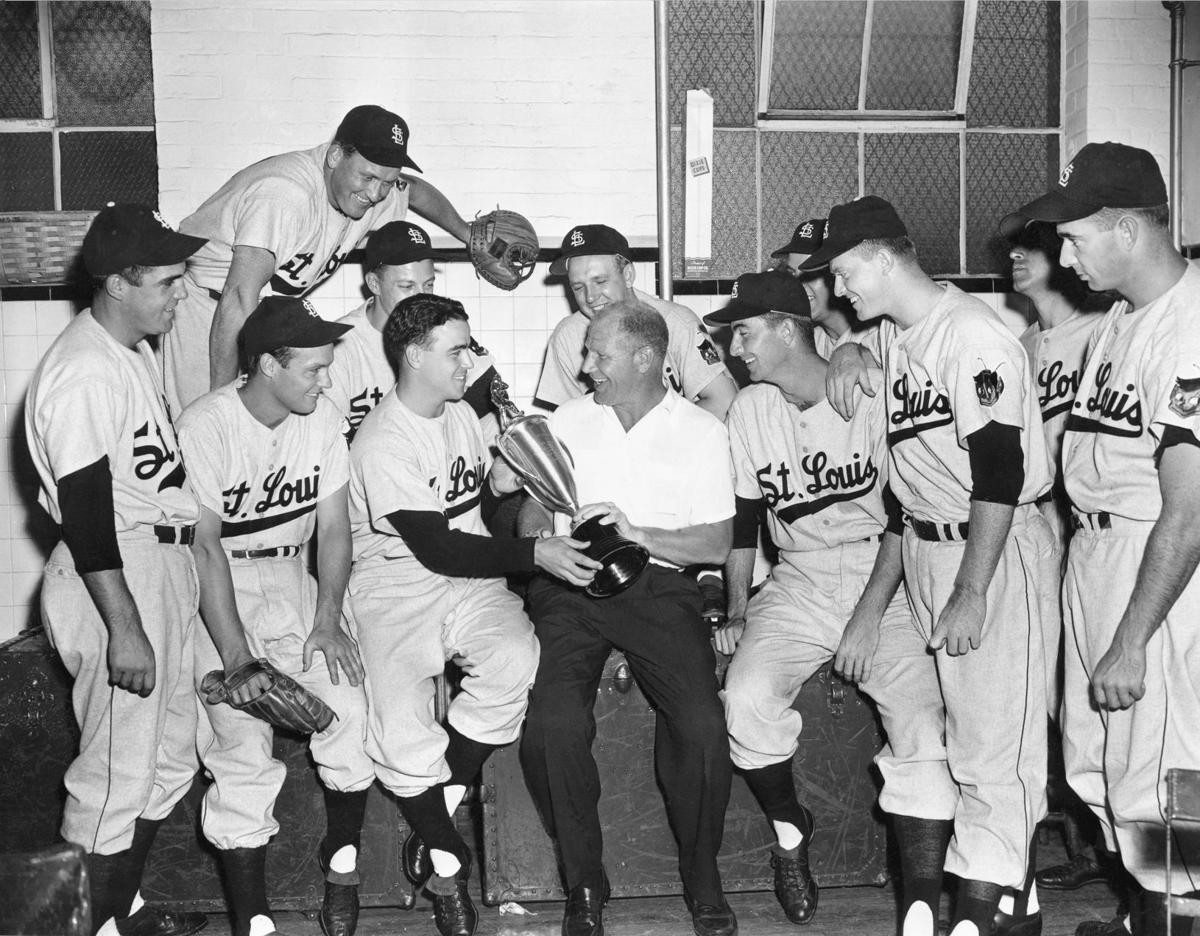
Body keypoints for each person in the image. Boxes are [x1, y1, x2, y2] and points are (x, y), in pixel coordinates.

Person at [804, 196, 1053, 936]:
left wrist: (973, 590)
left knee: (991, 753)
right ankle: (1014, 913)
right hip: (923, 547)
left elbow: (999, 474)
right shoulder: (895, 331)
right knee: (940, 734)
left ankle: (975, 921)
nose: (837, 288)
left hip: (988, 547)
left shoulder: (971, 336)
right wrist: (846, 346)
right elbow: (851, 344)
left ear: (883, 259)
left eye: (845, 272)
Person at [705, 271, 949, 928]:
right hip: (799, 579)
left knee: (923, 722)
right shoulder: (752, 410)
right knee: (747, 700)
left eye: (747, 332)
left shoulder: (868, 389)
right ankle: (791, 833)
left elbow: (904, 516)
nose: (738, 349)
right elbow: (744, 526)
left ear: (788, 327)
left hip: (885, 573)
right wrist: (735, 610)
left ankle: (922, 903)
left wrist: (868, 618)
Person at [346, 293, 595, 936]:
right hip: (395, 582)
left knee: (515, 660)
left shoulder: (457, 413)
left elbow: (469, 508)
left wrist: (503, 484)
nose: (470, 359)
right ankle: (447, 862)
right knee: (400, 734)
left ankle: (445, 799)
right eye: (457, 348)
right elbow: (434, 546)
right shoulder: (382, 439)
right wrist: (536, 552)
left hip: (463, 575)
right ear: (413, 355)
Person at [1016, 141, 1200, 936]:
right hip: (1095, 560)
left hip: (1150, 568)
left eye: (1075, 235)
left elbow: (1188, 513)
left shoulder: (1190, 330)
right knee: (1093, 766)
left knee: (1159, 785)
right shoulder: (1119, 321)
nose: (1063, 253)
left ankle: (1174, 915)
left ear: (1128, 228)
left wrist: (1131, 639)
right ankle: (1150, 914)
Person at [519, 299, 738, 936]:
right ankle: (584, 881)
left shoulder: (701, 430)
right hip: (572, 588)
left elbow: (716, 545)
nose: (585, 367)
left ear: (646, 358)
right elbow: (533, 512)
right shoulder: (566, 419)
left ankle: (702, 872)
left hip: (658, 589)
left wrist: (638, 533)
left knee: (701, 729)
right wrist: (543, 537)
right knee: (551, 728)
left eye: (598, 354)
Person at [24, 204, 209, 936]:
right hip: (113, 573)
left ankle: (114, 916)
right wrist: (124, 629)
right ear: (117, 283)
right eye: (166, 280)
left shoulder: (131, 349)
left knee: (165, 765)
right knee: (113, 779)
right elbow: (87, 515)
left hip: (154, 559)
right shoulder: (82, 372)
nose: (180, 293)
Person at [176, 296, 371, 936]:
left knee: (347, 702)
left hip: (292, 579)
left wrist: (327, 618)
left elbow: (335, 530)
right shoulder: (206, 424)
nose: (326, 379)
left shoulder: (320, 420)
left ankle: (340, 867)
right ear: (265, 364)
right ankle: (253, 920)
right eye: (313, 368)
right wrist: (237, 657)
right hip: (217, 586)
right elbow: (203, 544)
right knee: (240, 744)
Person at [165, 104, 475, 414]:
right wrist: (226, 403)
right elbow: (237, 296)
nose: (377, 193)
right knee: (209, 420)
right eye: (368, 177)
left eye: (386, 181)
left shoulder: (369, 188)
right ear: (335, 156)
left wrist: (467, 234)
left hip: (259, 317)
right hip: (208, 308)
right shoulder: (285, 194)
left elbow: (416, 191)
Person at [999, 215, 1115, 927]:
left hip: (1104, 534)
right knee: (1057, 705)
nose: (1015, 256)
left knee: (1116, 711)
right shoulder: (1020, 346)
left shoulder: (1105, 329)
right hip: (1046, 534)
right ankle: (1096, 854)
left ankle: (1149, 885)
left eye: (1033, 245)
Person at [535, 223, 737, 420]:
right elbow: (570, 423)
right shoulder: (567, 336)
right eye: (578, 287)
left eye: (600, 281)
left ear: (628, 275)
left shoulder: (676, 322)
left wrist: (652, 439)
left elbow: (723, 402)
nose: (589, 297)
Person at [325, 220, 501, 443]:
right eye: (407, 287)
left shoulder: (443, 331)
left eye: (428, 285)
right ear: (374, 283)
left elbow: (495, 414)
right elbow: (329, 444)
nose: (421, 298)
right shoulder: (341, 347)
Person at [770, 218, 880, 360]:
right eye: (792, 273)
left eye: (810, 273)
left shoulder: (879, 337)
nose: (797, 285)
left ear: (838, 274)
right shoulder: (809, 343)